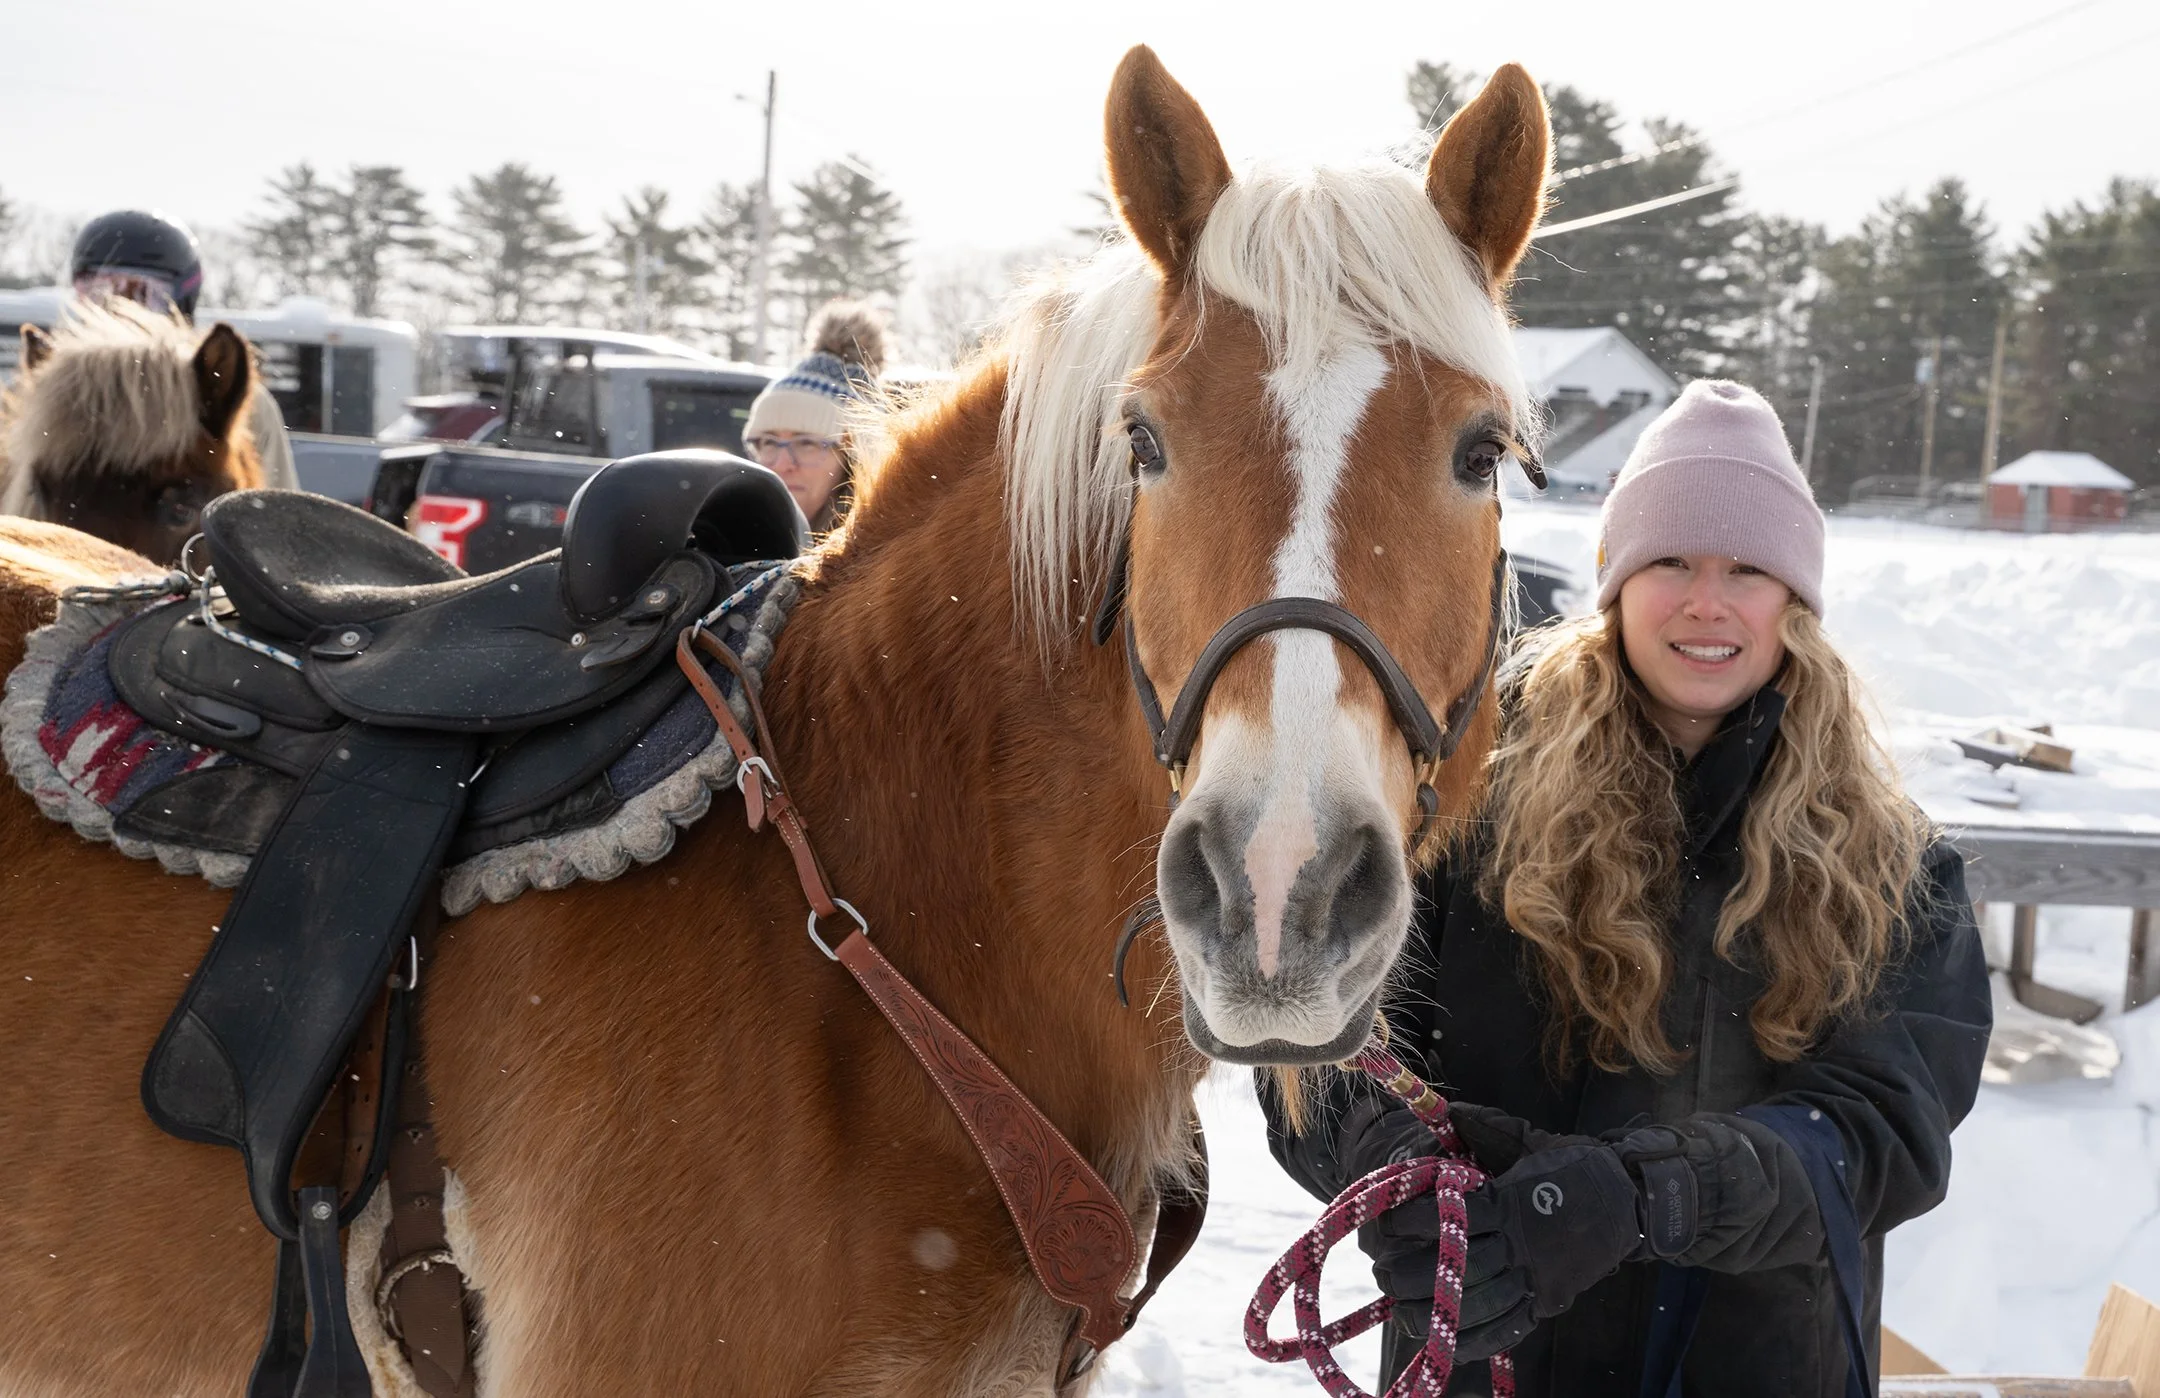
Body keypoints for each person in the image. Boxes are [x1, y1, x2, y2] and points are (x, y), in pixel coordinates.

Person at [1263, 380, 1992, 1397]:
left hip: (1756, 1367)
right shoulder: (1458, 806)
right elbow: (1325, 1037)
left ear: (1796, 599)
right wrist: (1380, 1158)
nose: (1707, 600)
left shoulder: (1896, 866)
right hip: (1489, 1357)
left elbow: (1883, 1131)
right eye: (1670, 563)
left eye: (1747, 568)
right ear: (1614, 582)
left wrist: (1651, 1196)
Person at [68, 209, 298, 490]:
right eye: (99, 294)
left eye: (142, 294)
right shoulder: (57, 396)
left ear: (181, 300)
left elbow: (275, 511)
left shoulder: (231, 402)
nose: (121, 312)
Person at [739, 300, 886, 532]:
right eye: (768, 442)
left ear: (853, 464)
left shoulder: (888, 561)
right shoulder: (725, 541)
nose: (781, 464)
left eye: (806, 443)